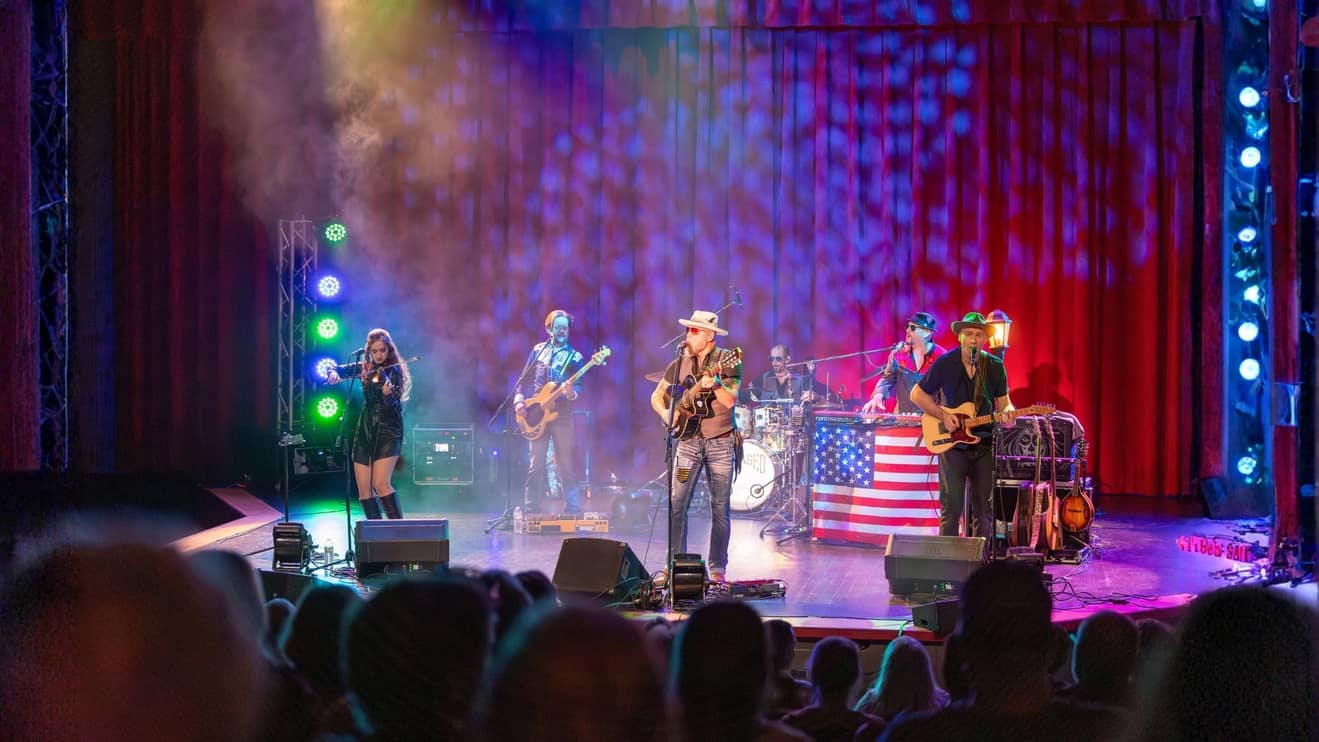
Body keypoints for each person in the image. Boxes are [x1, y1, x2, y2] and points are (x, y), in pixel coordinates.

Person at [650, 310, 741, 582]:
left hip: (720, 444)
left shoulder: (728, 359)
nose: (688, 335)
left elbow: (730, 401)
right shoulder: (680, 363)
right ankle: (673, 565)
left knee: (720, 508)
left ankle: (718, 568)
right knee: (677, 504)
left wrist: (715, 384)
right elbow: (657, 395)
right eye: (688, 330)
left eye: (694, 331)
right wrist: (667, 414)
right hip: (687, 445)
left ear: (709, 335)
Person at [910, 312, 1014, 538]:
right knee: (951, 508)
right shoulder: (945, 363)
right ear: (960, 337)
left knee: (984, 511)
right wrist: (942, 415)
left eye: (978, 334)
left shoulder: (994, 366)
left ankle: (979, 558)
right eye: (968, 334)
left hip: (984, 444)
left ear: (985, 339)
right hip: (952, 445)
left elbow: (1004, 403)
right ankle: (948, 557)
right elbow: (917, 394)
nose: (973, 339)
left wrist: (1008, 412)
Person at [327, 328, 410, 520]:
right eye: (375, 351)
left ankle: (399, 531)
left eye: (382, 350)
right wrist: (333, 373)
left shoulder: (395, 371)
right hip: (365, 429)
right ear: (369, 351)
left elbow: (395, 405)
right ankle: (376, 533)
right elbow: (336, 368)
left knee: (381, 484)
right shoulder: (365, 367)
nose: (379, 355)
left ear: (389, 350)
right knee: (364, 490)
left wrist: (387, 396)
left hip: (389, 431)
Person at [515, 309, 584, 513]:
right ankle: (531, 508)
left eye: (565, 328)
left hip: (562, 415)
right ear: (549, 329)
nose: (562, 331)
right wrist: (519, 400)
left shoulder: (575, 357)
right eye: (558, 327)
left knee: (565, 463)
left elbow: (579, 386)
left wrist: (571, 393)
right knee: (536, 463)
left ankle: (573, 509)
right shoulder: (538, 351)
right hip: (537, 413)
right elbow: (524, 379)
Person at [861, 311, 945, 415]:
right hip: (903, 417)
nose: (907, 330)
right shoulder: (898, 354)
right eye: (907, 326)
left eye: (913, 328)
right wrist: (878, 395)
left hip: (931, 419)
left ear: (927, 333)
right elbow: (887, 379)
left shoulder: (941, 358)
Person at [747, 344, 823, 405]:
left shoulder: (800, 380)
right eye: (771, 359)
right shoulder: (763, 378)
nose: (774, 363)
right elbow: (748, 393)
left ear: (787, 359)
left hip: (793, 419)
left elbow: (821, 399)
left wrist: (815, 396)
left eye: (778, 359)